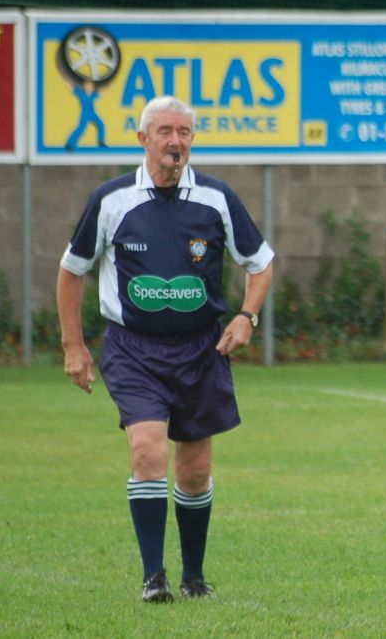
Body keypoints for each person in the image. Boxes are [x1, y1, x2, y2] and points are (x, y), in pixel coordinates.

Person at [58, 95, 274, 604]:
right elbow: (72, 271)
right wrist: (73, 344)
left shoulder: (217, 198)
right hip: (133, 349)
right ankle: (153, 576)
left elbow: (260, 263)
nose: (175, 141)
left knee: (195, 467)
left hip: (202, 349)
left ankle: (194, 576)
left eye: (184, 132)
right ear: (143, 139)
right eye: (165, 132)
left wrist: (246, 317)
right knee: (147, 449)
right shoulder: (111, 200)